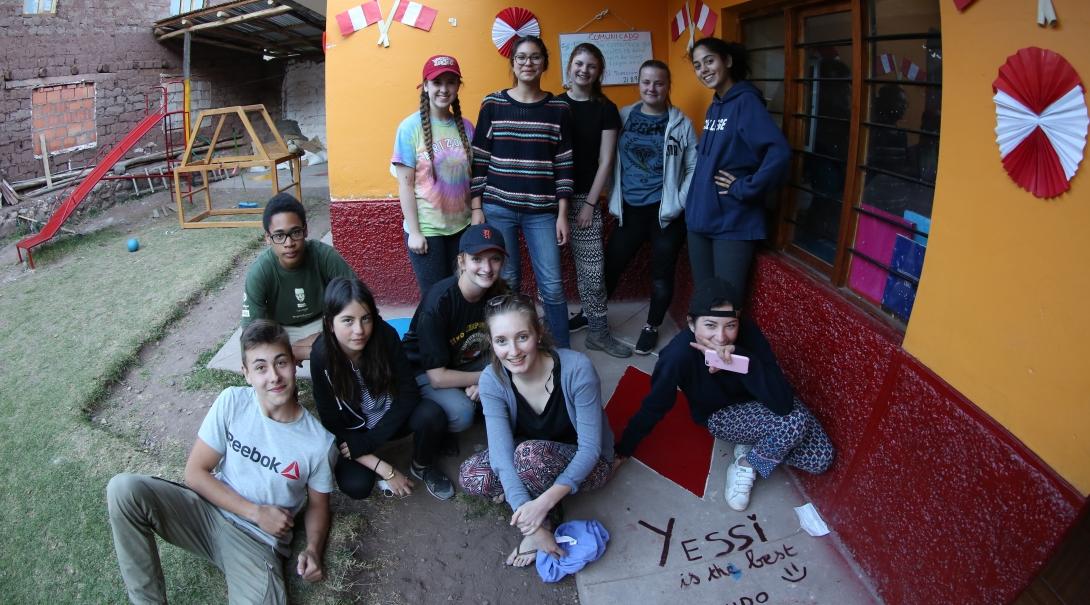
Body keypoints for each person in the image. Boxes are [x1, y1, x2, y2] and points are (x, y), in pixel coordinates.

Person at [106, 320, 336, 604]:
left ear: (294, 364)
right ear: (246, 374)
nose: (274, 376)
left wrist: (313, 549)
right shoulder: (231, 402)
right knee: (124, 490)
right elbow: (195, 473)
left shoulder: (319, 442)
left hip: (256, 543)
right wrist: (256, 512)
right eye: (261, 367)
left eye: (281, 363)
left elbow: (318, 505)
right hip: (206, 513)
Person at [614, 278, 834, 512]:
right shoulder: (678, 355)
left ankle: (756, 444)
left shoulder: (748, 334)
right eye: (710, 325)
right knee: (794, 421)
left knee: (821, 458)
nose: (721, 337)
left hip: (766, 403)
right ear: (691, 323)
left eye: (730, 325)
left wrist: (740, 360)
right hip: (722, 416)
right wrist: (624, 448)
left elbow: (781, 402)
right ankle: (746, 463)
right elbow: (656, 403)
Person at [458, 293, 614, 567]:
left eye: (522, 337)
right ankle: (530, 504)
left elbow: (591, 449)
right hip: (526, 455)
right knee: (472, 476)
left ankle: (549, 512)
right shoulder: (491, 380)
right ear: (492, 343)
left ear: (538, 333)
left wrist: (541, 507)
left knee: (529, 456)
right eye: (501, 341)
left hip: (588, 464)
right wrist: (531, 526)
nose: (514, 352)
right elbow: (501, 456)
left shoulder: (577, 369)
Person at [470, 35, 574, 348]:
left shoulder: (558, 109)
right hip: (498, 208)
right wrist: (477, 208)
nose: (528, 63)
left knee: (553, 286)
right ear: (513, 64)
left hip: (542, 213)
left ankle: (562, 352)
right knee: (507, 282)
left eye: (535, 57)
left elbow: (564, 165)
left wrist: (563, 214)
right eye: (521, 58)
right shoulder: (493, 104)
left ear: (545, 63)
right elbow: (480, 159)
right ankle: (508, 345)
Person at [311, 277, 455, 501]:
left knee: (431, 414)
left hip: (390, 417)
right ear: (330, 323)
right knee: (356, 486)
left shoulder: (385, 335)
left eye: (366, 319)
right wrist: (384, 469)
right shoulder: (321, 356)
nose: (359, 330)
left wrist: (371, 441)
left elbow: (409, 393)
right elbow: (331, 423)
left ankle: (422, 464)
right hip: (355, 431)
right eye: (347, 321)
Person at [603, 59, 698, 356]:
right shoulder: (624, 115)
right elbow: (607, 156)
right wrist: (609, 192)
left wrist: (678, 202)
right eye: (646, 82)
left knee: (661, 274)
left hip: (664, 213)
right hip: (629, 210)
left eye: (659, 83)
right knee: (610, 265)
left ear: (668, 86)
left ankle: (651, 325)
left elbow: (694, 166)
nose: (652, 88)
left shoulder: (681, 123)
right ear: (638, 84)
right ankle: (594, 313)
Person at [686, 38, 790, 297]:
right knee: (704, 299)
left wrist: (744, 187)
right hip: (700, 219)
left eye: (709, 61)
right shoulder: (715, 106)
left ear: (728, 61)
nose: (704, 69)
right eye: (698, 65)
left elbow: (779, 152)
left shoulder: (746, 103)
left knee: (725, 304)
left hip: (732, 220)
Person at [557, 43, 630, 358]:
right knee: (550, 272)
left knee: (592, 271)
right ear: (570, 66)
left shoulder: (605, 108)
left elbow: (606, 161)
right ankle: (552, 335)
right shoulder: (554, 105)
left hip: (584, 201)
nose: (584, 70)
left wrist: (589, 204)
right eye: (579, 63)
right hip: (551, 201)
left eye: (591, 65)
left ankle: (598, 333)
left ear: (600, 72)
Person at [402, 223, 508, 435]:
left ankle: (478, 393)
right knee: (463, 413)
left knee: (520, 365)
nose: (487, 269)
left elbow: (513, 343)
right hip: (425, 370)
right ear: (462, 261)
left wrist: (490, 377)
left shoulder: (501, 293)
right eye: (477, 259)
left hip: (467, 359)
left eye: (494, 259)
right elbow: (438, 377)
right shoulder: (438, 303)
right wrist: (489, 378)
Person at [391, 54, 476, 298]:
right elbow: (405, 186)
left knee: (463, 293)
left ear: (458, 87)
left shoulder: (467, 127)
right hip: (428, 231)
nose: (444, 89)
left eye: (450, 82)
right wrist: (415, 233)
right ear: (425, 86)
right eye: (437, 82)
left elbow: (474, 179)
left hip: (462, 227)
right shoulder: (409, 128)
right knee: (436, 298)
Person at [242, 193, 357, 362]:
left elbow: (357, 302)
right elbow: (250, 333)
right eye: (279, 236)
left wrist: (303, 347)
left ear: (305, 230)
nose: (289, 243)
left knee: (355, 333)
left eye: (295, 232)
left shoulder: (324, 256)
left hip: (323, 323)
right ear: (268, 238)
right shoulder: (260, 272)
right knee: (264, 356)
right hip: (280, 331)